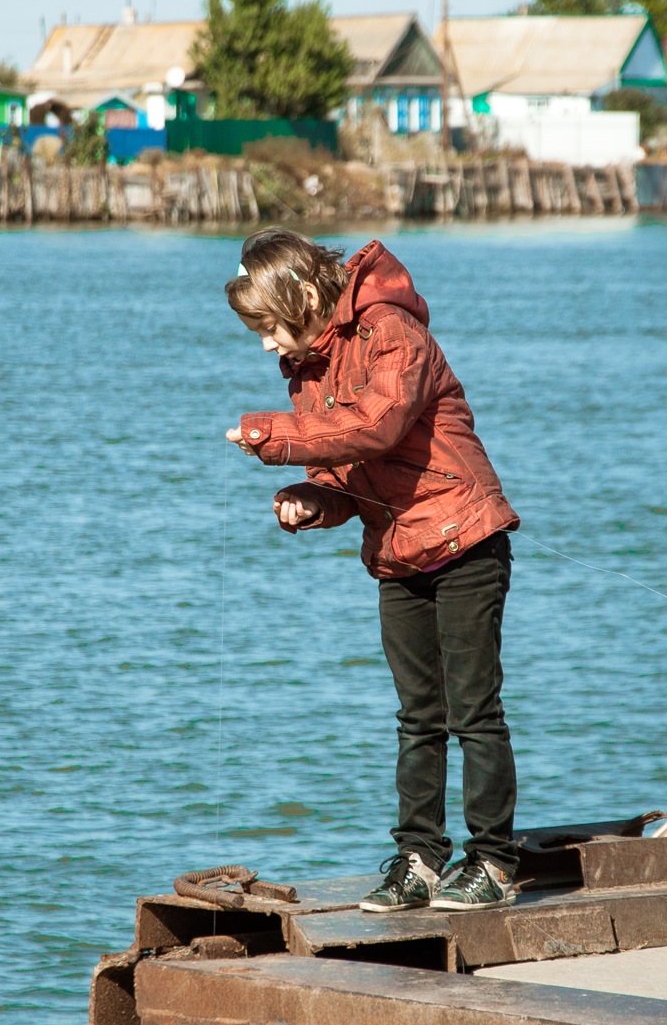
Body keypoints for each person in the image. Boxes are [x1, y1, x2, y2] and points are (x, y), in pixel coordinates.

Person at [224, 228, 523, 912]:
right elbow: (345, 469)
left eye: (269, 327)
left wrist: (273, 436)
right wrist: (314, 499)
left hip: (467, 539)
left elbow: (378, 426)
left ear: (301, 296)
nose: (268, 345)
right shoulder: (308, 370)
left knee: (473, 710)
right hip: (397, 551)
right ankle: (418, 861)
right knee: (419, 716)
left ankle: (494, 863)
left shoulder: (392, 330)